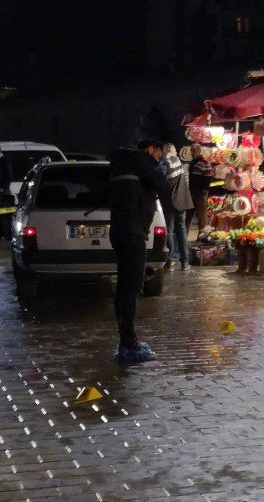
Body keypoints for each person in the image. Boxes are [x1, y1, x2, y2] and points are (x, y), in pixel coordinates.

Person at [109, 139, 166, 363]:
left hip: (121, 230)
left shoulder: (120, 163)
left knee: (124, 285)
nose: (159, 159)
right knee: (131, 287)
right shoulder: (142, 160)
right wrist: (158, 169)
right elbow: (161, 184)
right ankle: (128, 344)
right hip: (133, 233)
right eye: (158, 154)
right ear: (151, 149)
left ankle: (126, 339)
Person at [159, 143, 193, 272]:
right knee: (181, 231)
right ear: (174, 151)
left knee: (169, 231)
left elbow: (161, 181)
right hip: (181, 202)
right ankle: (185, 262)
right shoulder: (178, 161)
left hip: (169, 202)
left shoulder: (164, 161)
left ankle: (170, 260)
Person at [185, 144, 212, 236]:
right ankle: (184, 236)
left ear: (199, 151)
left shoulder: (204, 163)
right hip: (192, 192)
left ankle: (202, 236)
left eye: (194, 150)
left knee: (201, 216)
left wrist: (204, 192)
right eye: (191, 150)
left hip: (200, 193)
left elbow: (208, 179)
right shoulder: (192, 163)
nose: (192, 153)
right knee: (188, 216)